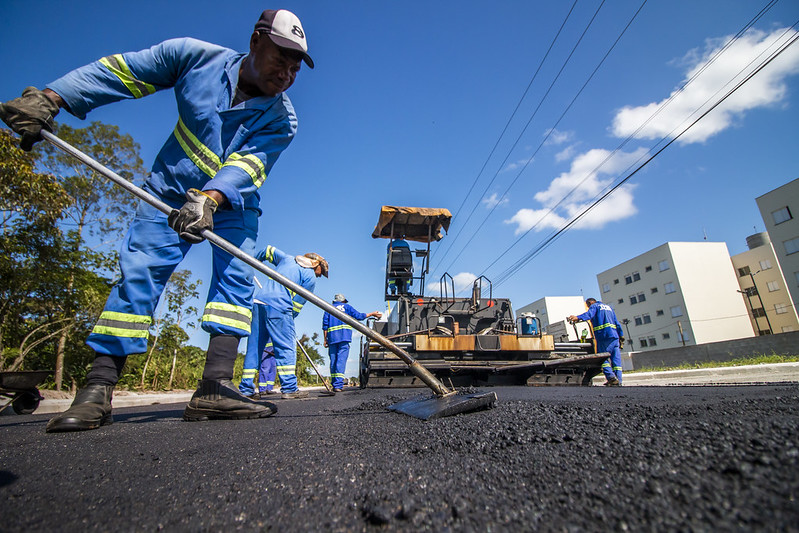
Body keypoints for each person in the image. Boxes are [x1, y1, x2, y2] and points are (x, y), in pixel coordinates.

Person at [0, 8, 315, 432]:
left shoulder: (282, 118)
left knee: (235, 280)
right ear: (256, 41)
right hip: (168, 190)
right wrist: (53, 98)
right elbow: (122, 73)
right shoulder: (192, 57)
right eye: (282, 58)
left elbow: (248, 166)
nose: (288, 73)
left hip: (233, 204)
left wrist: (211, 199)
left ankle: (215, 388)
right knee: (140, 273)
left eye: (296, 67)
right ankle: (97, 388)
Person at [241, 245, 327, 399]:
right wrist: (287, 319)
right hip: (280, 308)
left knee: (254, 348)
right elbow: (298, 304)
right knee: (286, 348)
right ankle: (289, 388)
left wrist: (250, 263)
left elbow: (268, 250)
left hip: (258, 303)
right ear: (316, 264)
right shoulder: (310, 276)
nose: (320, 276)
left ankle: (246, 388)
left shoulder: (287, 259)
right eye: (322, 273)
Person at [322, 294, 381, 391]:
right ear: (343, 301)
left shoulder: (328, 308)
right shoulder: (347, 307)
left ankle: (334, 384)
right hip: (344, 338)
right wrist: (371, 314)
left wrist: (325, 339)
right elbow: (359, 316)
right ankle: (338, 386)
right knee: (341, 361)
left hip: (332, 339)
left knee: (333, 361)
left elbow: (325, 326)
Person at [568, 298, 624, 386]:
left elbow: (589, 315)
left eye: (588, 305)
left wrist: (577, 317)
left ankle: (611, 378)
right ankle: (619, 380)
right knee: (616, 360)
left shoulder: (595, 306)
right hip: (615, 337)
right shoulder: (609, 308)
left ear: (590, 303)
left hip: (604, 336)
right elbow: (617, 323)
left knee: (602, 358)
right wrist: (621, 336)